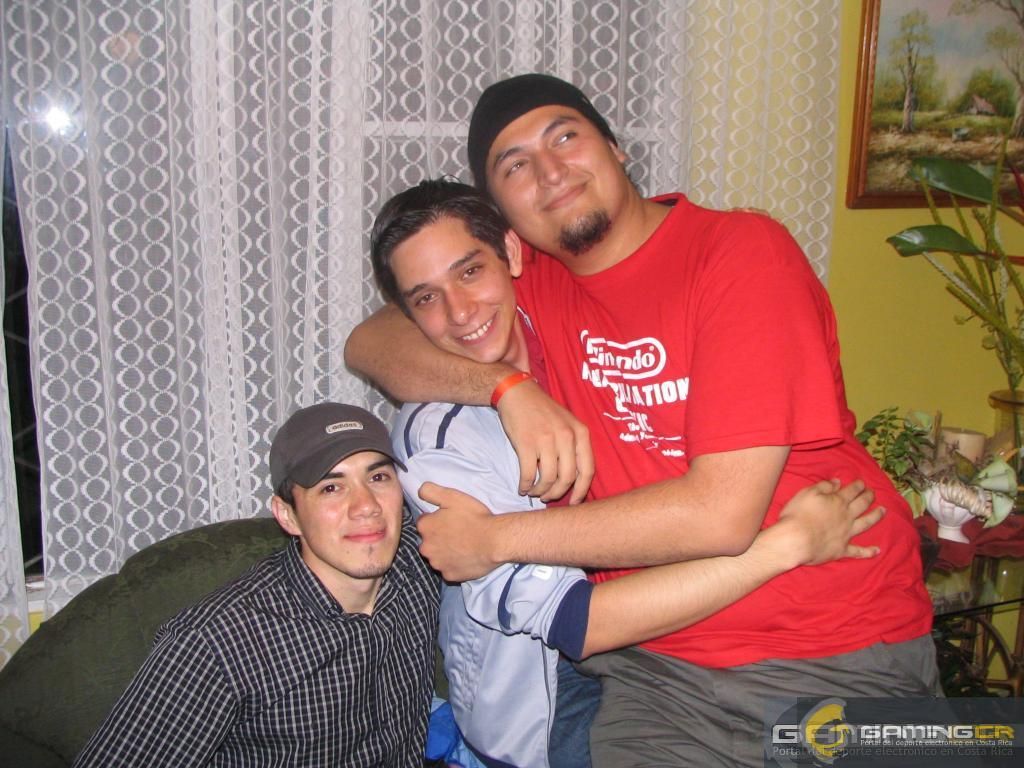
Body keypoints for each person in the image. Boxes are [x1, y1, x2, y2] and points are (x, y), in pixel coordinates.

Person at [345, 74, 938, 767]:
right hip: (657, 676)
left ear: (616, 147)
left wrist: (495, 539)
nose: (550, 172)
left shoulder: (739, 253)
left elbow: (722, 515)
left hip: (834, 647)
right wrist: (507, 387)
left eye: (565, 136)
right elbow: (371, 341)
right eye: (515, 166)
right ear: (508, 225)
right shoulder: (526, 285)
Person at [73, 403, 439, 768]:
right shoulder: (217, 643)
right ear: (287, 515)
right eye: (331, 487)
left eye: (378, 477)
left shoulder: (417, 563)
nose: (366, 506)